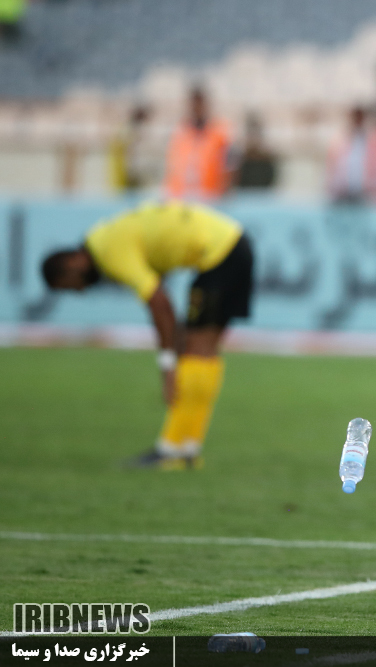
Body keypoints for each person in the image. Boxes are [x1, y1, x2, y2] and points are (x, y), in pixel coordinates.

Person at [41, 201, 254, 470]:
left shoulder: (109, 252)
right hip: (233, 244)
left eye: (71, 285)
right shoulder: (105, 237)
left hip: (219, 255)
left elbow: (159, 303)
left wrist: (167, 365)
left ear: (73, 262)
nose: (80, 290)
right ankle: (187, 448)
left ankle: (172, 449)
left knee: (196, 350)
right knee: (204, 351)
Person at [164, 86, 232, 201]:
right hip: (181, 196)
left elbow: (228, 166)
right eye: (194, 104)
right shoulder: (181, 132)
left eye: (200, 104)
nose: (197, 108)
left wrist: (223, 193)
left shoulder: (219, 132)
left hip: (210, 196)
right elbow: (174, 166)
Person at [326, 106, 376, 205]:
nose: (358, 121)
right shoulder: (342, 141)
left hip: (369, 196)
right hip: (345, 194)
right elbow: (335, 170)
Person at [109, 105, 158, 193]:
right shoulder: (129, 130)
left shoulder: (131, 129)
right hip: (126, 169)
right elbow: (125, 151)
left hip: (131, 168)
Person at [235, 112, 279, 190]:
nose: (253, 138)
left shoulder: (266, 159)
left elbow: (271, 182)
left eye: (256, 134)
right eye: (251, 134)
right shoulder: (240, 159)